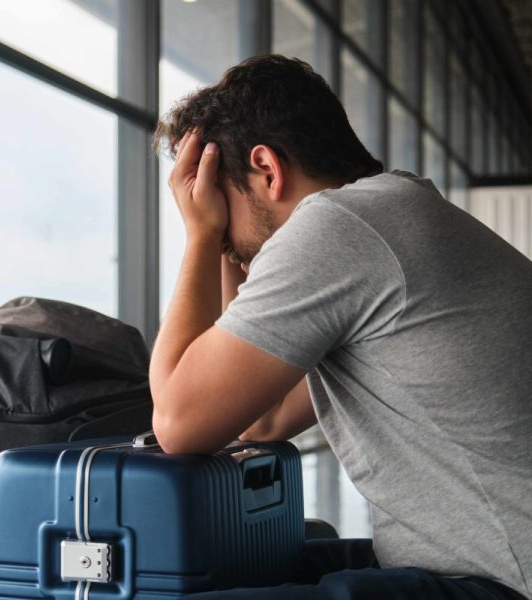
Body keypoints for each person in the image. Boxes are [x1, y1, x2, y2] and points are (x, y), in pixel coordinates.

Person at [149, 55, 532, 599]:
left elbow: (179, 423)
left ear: (267, 168)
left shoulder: (338, 226)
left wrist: (202, 236)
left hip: (503, 582)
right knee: (208, 567)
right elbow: (259, 419)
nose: (211, 213)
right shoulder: (393, 211)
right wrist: (228, 243)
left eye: (217, 196)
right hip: (482, 562)